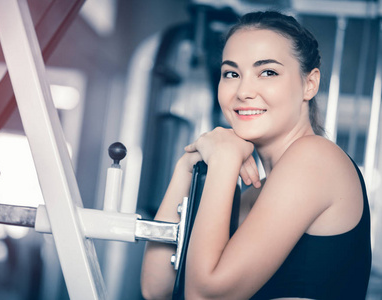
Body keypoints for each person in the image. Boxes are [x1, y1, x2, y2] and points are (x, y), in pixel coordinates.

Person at [140, 10, 372, 300]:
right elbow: (156, 288)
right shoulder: (252, 195)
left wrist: (225, 156)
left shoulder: (315, 158)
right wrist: (186, 167)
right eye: (232, 74)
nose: (243, 91)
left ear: (309, 84)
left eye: (268, 72)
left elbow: (205, 296)